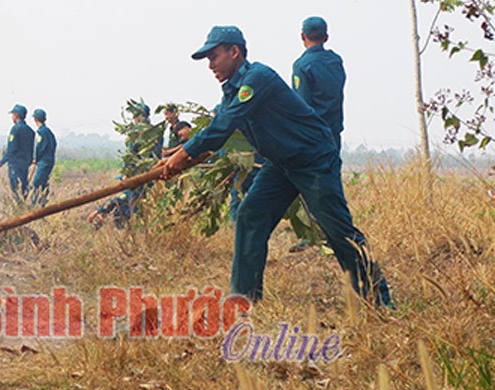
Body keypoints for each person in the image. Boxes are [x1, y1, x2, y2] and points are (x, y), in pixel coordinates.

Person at [156, 25, 392, 308]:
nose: (210, 65)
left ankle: (379, 303)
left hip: (313, 160)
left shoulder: (257, 78)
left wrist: (180, 158)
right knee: (250, 215)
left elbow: (222, 127)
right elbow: (219, 135)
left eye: (214, 56)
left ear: (235, 51)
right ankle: (244, 300)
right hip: (280, 164)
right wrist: (179, 157)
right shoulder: (232, 91)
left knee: (337, 231)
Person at [292, 16, 345, 152]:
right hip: (333, 131)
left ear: (303, 36)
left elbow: (302, 105)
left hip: (313, 135)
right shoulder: (335, 61)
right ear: (326, 37)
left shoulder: (302, 66)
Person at [0, 104, 35, 198]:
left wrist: (1, 162)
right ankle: (24, 205)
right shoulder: (30, 131)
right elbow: (31, 149)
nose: (12, 117)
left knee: (16, 189)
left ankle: (19, 208)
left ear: (16, 115)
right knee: (24, 187)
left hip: (15, 164)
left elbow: (11, 149)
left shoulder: (15, 129)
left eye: (13, 115)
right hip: (25, 164)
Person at [31, 109, 57, 205]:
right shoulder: (49, 132)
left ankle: (35, 205)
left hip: (43, 162)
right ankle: (42, 203)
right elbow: (54, 144)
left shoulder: (41, 132)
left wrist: (36, 158)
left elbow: (40, 147)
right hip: (49, 161)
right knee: (43, 183)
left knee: (36, 183)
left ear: (35, 119)